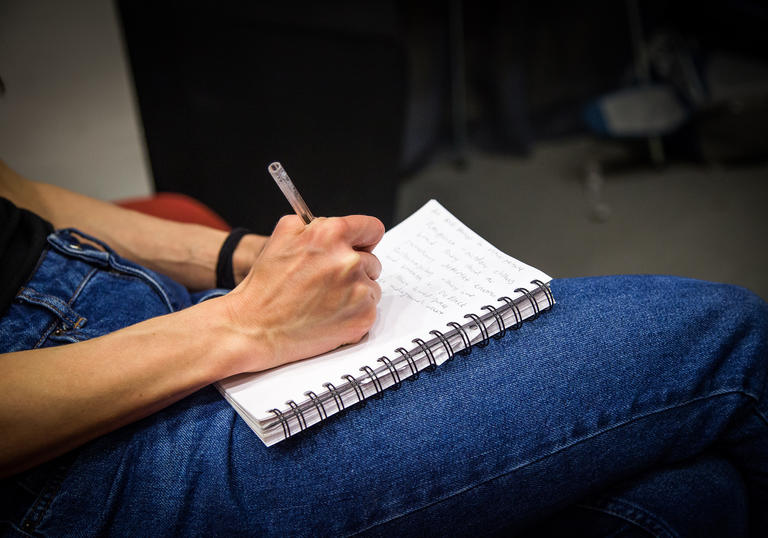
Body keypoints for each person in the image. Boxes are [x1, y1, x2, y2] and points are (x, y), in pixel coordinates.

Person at [0, 158, 766, 536]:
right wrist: (246, 326)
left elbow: (19, 197)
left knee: (693, 499)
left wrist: (245, 257)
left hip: (140, 310)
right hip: (72, 451)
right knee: (730, 343)